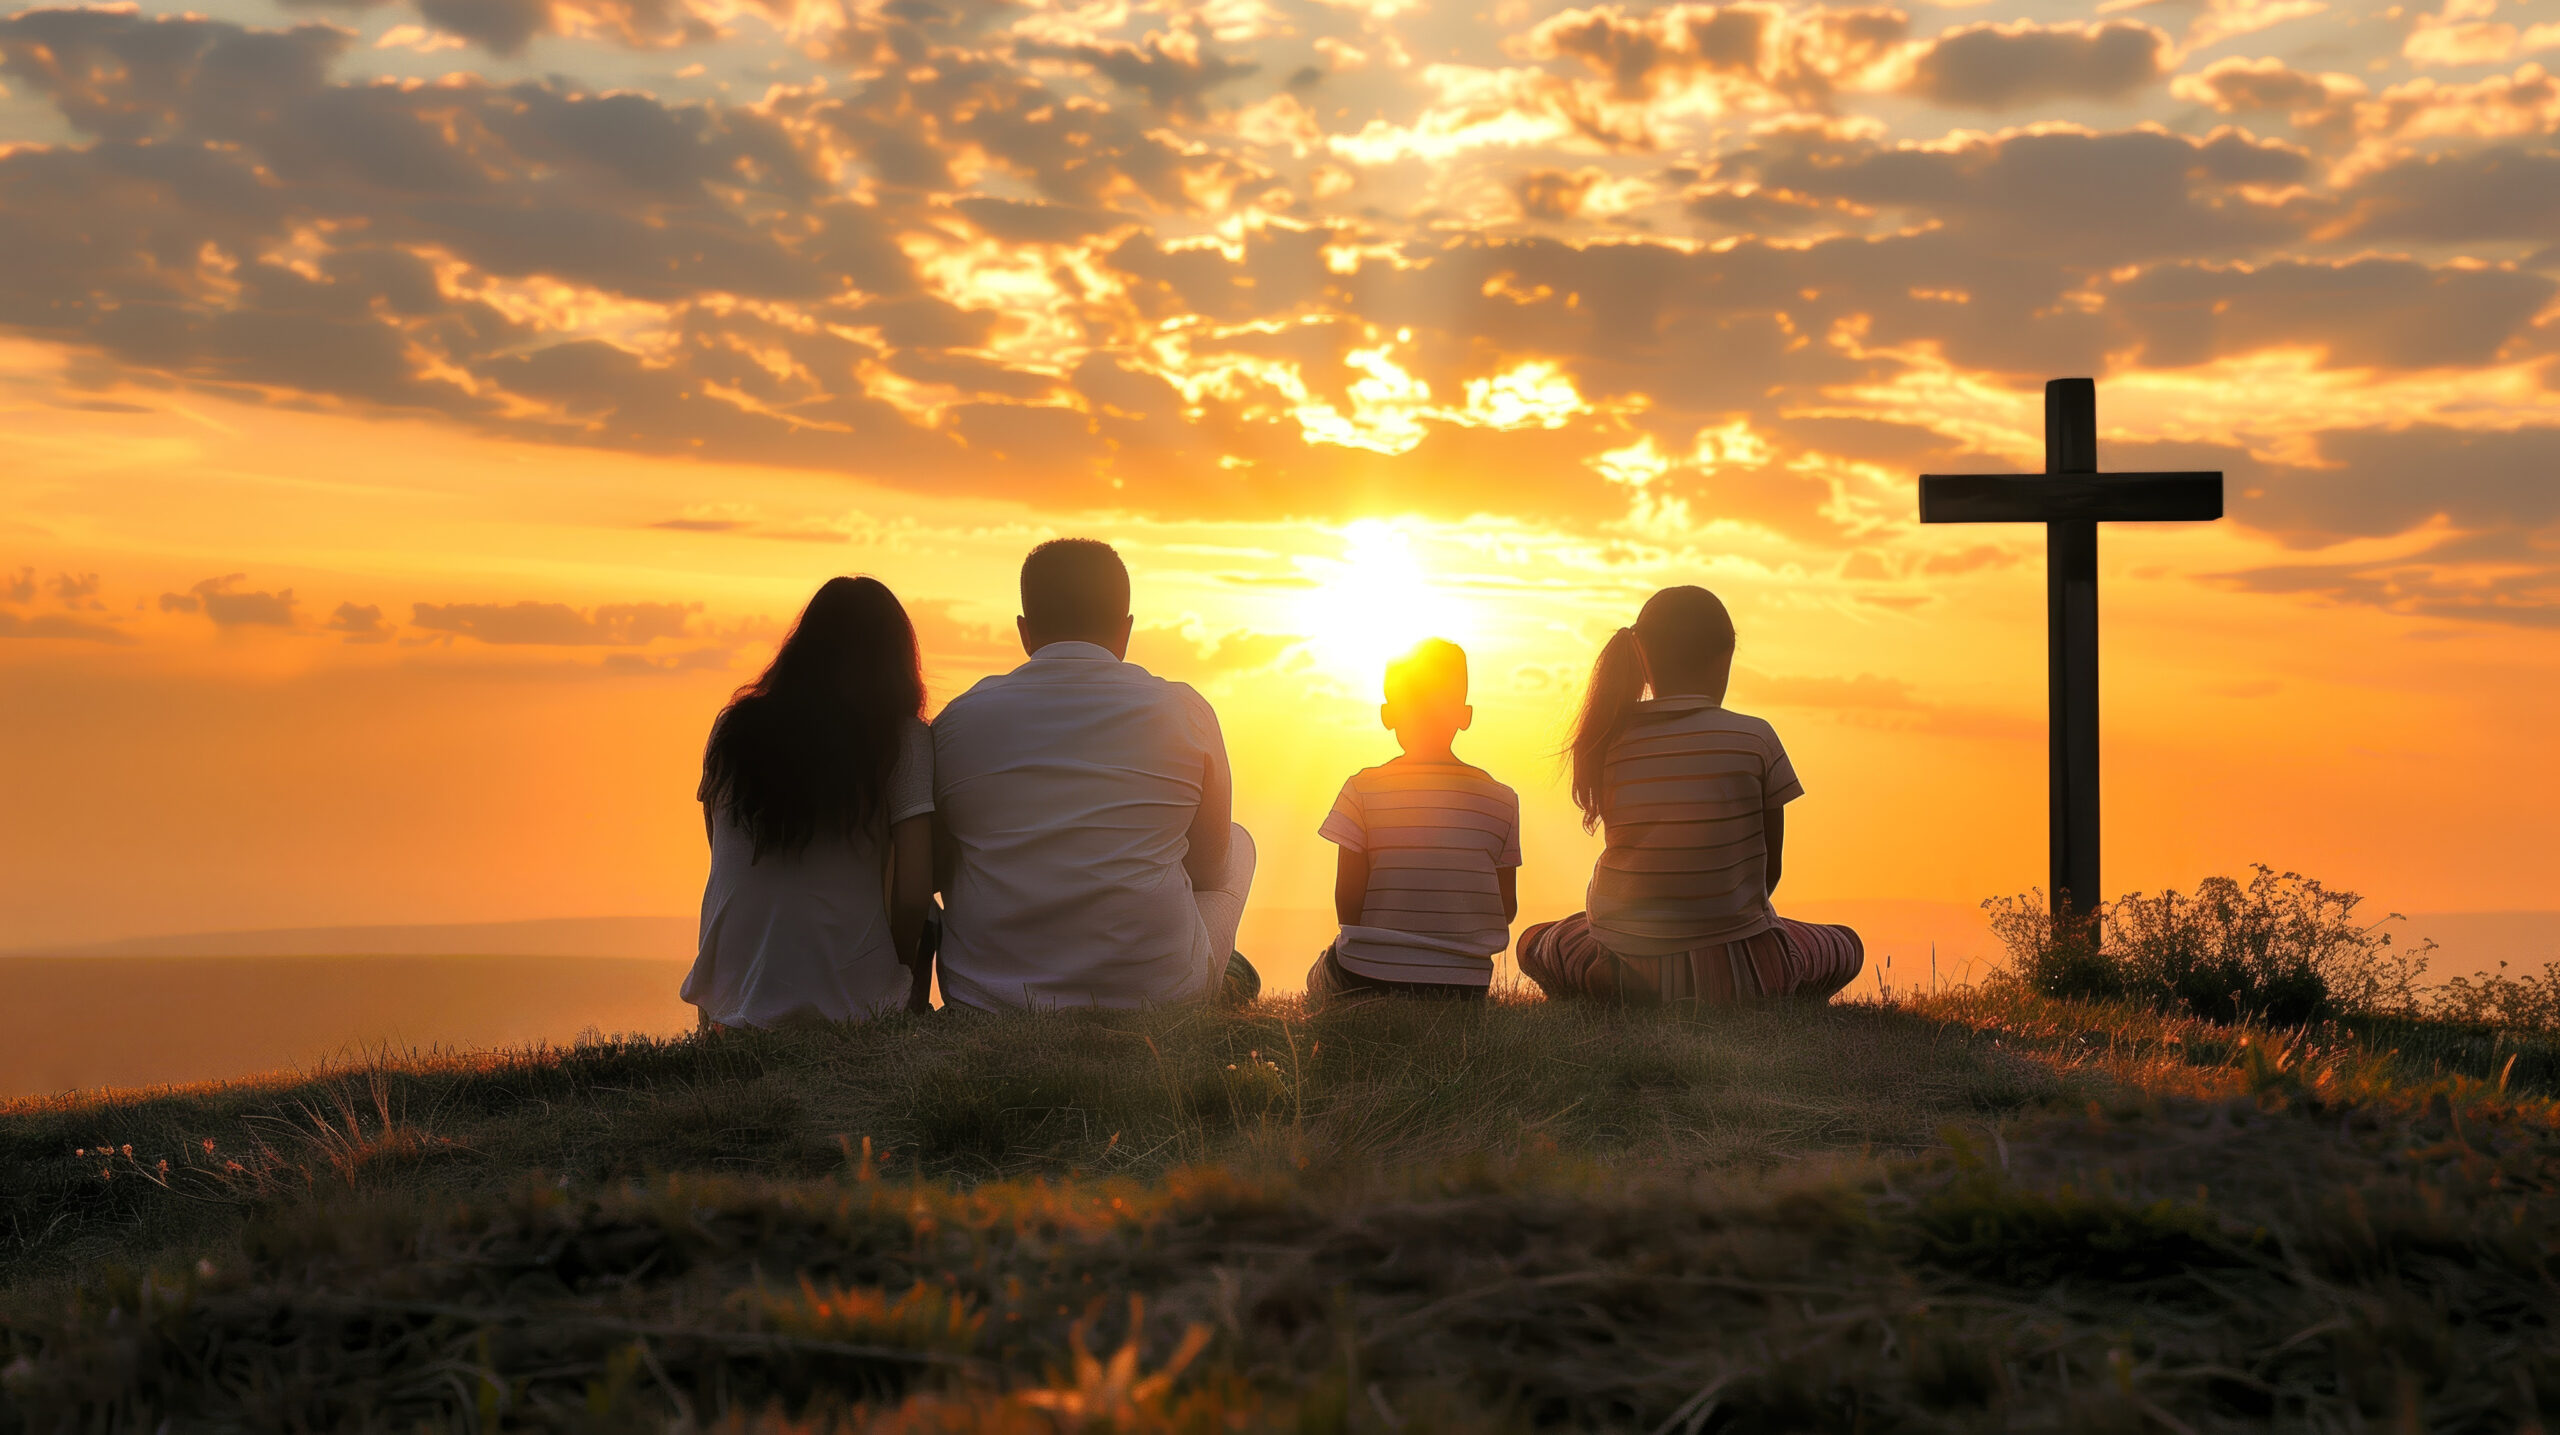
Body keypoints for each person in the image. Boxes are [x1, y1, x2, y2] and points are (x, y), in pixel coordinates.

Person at [929, 538, 1259, 1010]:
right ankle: (1221, 973)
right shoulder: (1185, 711)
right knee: (1238, 842)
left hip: (988, 996)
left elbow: (937, 867)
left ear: (1025, 632)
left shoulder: (958, 723)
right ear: (1126, 630)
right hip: (1158, 995)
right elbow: (1208, 869)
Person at [1517, 586, 1862, 1004]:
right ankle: (1768, 986)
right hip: (1742, 970)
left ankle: (1618, 986)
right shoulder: (1757, 739)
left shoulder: (1608, 741)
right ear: (1724, 661)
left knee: (1536, 939)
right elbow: (1769, 874)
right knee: (1844, 944)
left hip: (1628, 958)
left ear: (1641, 657)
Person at [681, 576, 936, 1028]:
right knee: (930, 920)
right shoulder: (902, 739)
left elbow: (718, 852)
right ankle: (898, 1014)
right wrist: (893, 969)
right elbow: (915, 891)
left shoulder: (732, 730)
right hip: (851, 1003)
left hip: (728, 995)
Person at [1305, 639, 1520, 1006]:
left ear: (1388, 714)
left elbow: (1348, 900)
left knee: (1318, 975)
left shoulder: (1361, 790)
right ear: (1464, 715)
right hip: (1465, 987)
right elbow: (1507, 907)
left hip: (1368, 976)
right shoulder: (1501, 799)